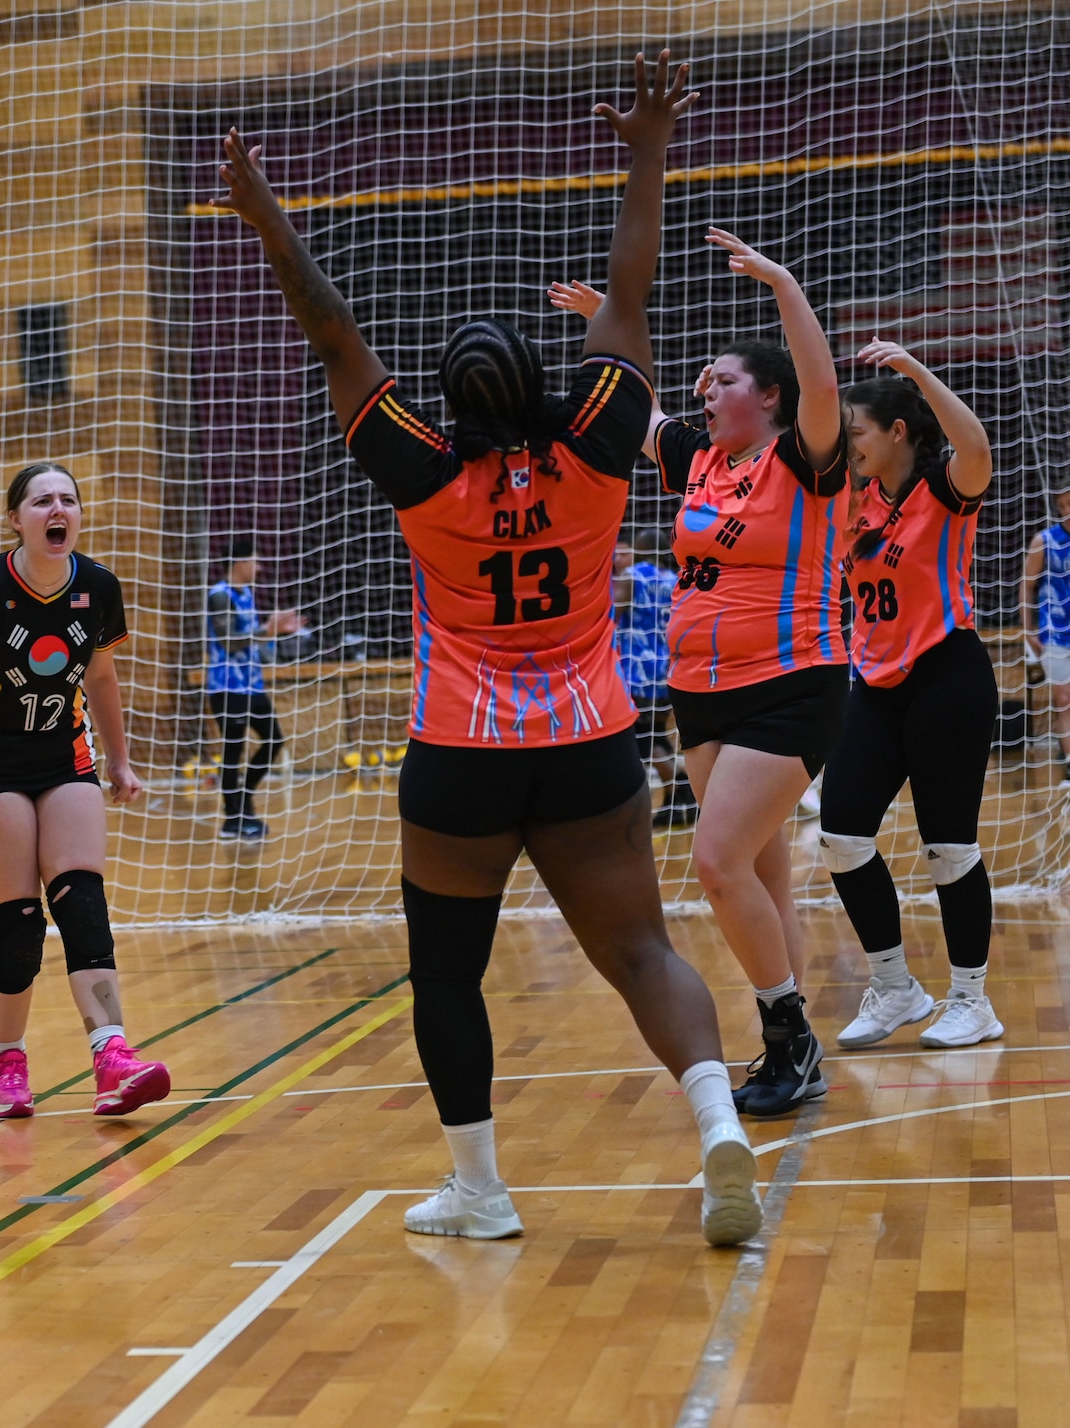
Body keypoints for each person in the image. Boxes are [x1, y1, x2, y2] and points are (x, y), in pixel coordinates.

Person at [218, 53, 762, 1246]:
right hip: (590, 742)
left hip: (459, 750)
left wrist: (266, 220)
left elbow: (329, 333)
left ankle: (478, 1190)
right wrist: (646, 150)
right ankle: (718, 1120)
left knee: (447, 976)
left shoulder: (419, 471)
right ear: (540, 384)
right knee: (637, 950)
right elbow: (627, 291)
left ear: (451, 407)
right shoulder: (601, 445)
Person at [559, 233, 848, 1117]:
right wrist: (605, 327)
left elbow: (820, 376)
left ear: (767, 398)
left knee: (716, 861)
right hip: (702, 689)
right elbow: (631, 408)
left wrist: (782, 280)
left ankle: (787, 1036)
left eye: (722, 381)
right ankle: (794, 1043)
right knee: (759, 877)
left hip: (793, 679)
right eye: (703, 383)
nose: (704, 391)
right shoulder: (699, 460)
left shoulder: (803, 454)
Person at [0, 462, 169, 1122]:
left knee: (83, 902)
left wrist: (120, 762)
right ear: (16, 519)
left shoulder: (98, 587)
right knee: (21, 926)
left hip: (67, 758)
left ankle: (112, 1055)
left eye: (67, 499)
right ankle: (6, 1061)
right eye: (41, 500)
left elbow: (104, 681)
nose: (56, 508)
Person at [817, 342, 1000, 1048]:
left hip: (947, 677)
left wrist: (916, 373)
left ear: (897, 432)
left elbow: (974, 442)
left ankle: (973, 1000)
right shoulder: (852, 505)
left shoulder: (946, 491)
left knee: (947, 847)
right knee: (840, 835)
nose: (849, 443)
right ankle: (896, 988)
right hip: (875, 682)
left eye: (857, 430)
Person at [206, 536, 298, 840]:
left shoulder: (248, 595)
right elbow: (229, 641)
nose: (259, 568)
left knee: (274, 740)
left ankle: (244, 799)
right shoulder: (220, 596)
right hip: (227, 687)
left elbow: (255, 639)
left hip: (252, 685)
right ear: (241, 562)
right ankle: (233, 821)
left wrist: (278, 634)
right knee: (233, 751)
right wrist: (266, 630)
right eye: (256, 561)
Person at [611, 527, 695, 823]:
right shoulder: (675, 581)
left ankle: (682, 783)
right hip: (667, 669)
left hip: (637, 670)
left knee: (641, 739)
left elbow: (613, 614)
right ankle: (679, 799)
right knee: (656, 736)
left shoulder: (633, 576)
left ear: (640, 549)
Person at [1022, 488, 1070, 782]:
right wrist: (1028, 629)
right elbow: (1026, 585)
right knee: (1064, 699)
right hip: (1054, 631)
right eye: (1062, 504)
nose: (1067, 508)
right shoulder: (1045, 541)